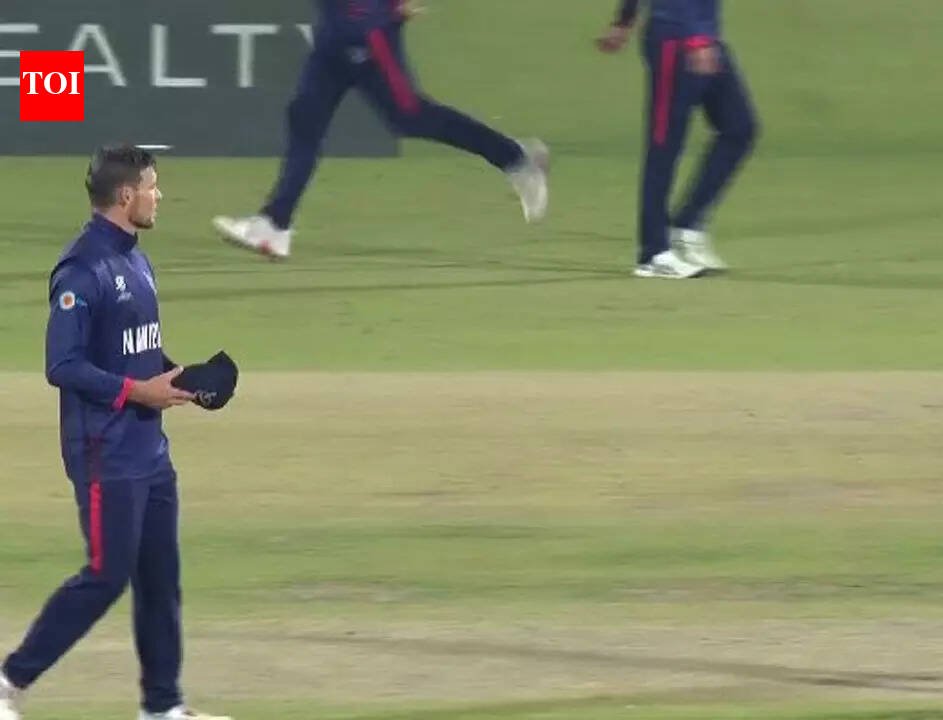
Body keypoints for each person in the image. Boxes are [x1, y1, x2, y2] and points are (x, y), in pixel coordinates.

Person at [0, 146, 230, 720]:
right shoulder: (82, 270)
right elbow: (63, 365)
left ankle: (163, 707)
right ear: (126, 195)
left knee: (160, 578)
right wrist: (139, 392)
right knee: (106, 575)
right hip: (105, 451)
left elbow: (138, 353)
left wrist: (181, 379)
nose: (159, 196)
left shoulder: (136, 261)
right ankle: (9, 682)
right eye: (152, 186)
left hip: (149, 449)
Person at [213, 0, 549, 260]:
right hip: (334, 35)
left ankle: (517, 159)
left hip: (368, 33)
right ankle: (275, 224)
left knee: (412, 116)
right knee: (305, 118)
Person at [598, 0, 758, 278]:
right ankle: (653, 254)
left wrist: (624, 20)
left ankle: (687, 225)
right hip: (676, 40)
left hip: (704, 36)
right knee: (664, 145)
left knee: (739, 128)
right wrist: (696, 39)